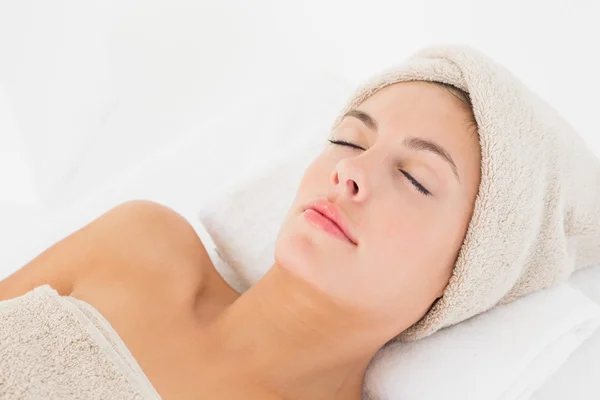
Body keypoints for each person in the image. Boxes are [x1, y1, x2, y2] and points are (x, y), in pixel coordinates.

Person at [3, 45, 600, 399]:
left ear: (467, 275)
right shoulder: (140, 247)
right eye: (348, 139)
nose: (352, 174)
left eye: (416, 179)